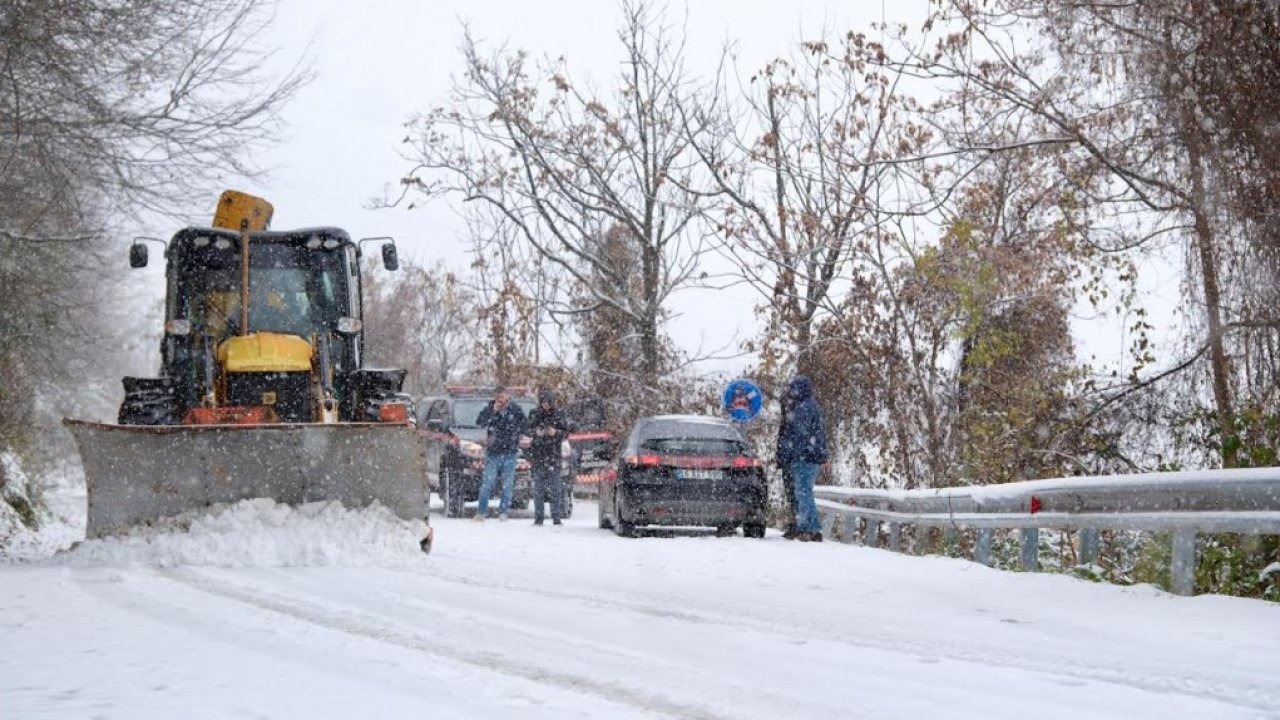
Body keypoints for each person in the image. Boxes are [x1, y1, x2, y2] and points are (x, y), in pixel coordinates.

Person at [777, 375, 829, 542]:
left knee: (803, 492)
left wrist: (792, 454)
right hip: (810, 455)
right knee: (802, 492)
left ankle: (811, 528)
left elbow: (800, 434)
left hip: (804, 457)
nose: (791, 392)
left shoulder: (803, 408)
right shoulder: (810, 406)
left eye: (793, 389)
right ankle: (803, 526)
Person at [474, 387, 527, 521]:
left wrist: (518, 437)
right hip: (493, 453)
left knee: (507, 484)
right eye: (498, 396)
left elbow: (525, 426)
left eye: (503, 396)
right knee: (487, 483)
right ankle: (481, 511)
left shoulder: (515, 410)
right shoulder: (490, 407)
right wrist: (492, 412)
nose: (500, 399)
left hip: (510, 452)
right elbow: (480, 422)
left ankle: (503, 511)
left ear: (508, 396)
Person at [525, 389, 571, 526]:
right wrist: (535, 432)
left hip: (553, 455)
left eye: (548, 402)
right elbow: (527, 429)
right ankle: (539, 517)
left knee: (556, 489)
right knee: (538, 489)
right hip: (538, 455)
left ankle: (556, 517)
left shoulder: (559, 414)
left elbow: (566, 432)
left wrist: (555, 432)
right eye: (543, 402)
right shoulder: (534, 413)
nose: (545, 405)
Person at [774, 396, 798, 539]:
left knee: (795, 494)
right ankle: (796, 522)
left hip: (791, 461)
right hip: (788, 461)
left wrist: (785, 458)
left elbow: (787, 441)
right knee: (792, 494)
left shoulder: (792, 420)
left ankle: (797, 524)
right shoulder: (788, 419)